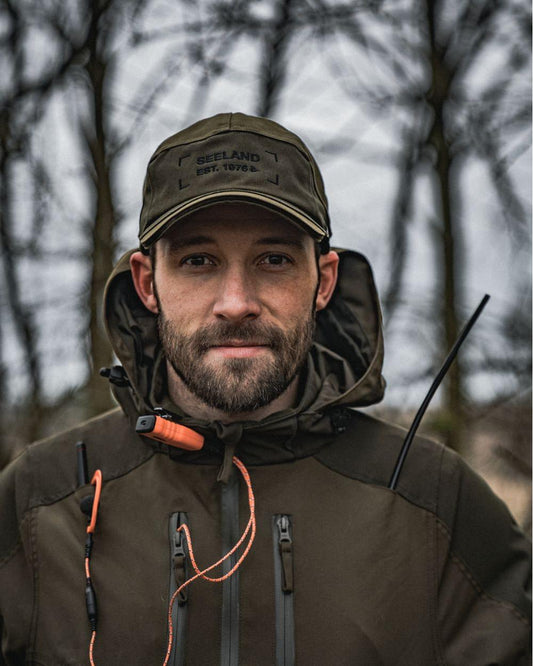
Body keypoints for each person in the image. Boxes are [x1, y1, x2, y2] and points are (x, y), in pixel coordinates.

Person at [0, 112, 529, 666]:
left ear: (323, 281)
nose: (236, 303)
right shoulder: (39, 503)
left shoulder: (437, 504)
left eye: (274, 260)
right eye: (198, 261)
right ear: (147, 282)